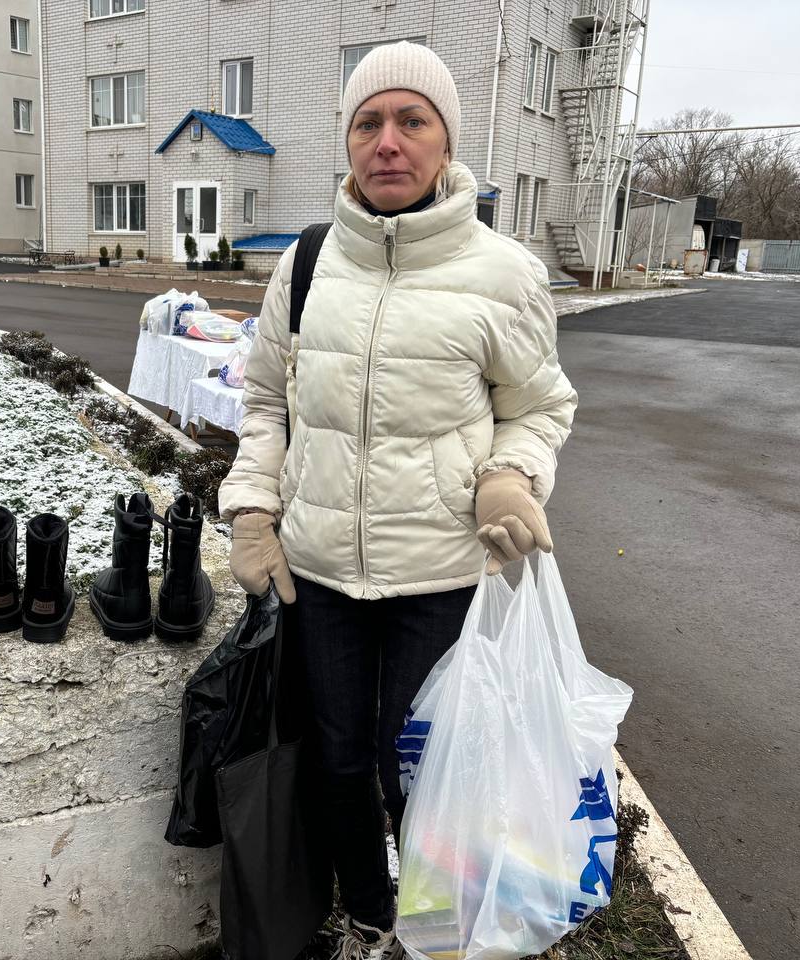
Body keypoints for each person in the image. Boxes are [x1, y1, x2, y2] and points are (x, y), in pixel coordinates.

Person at [217, 41, 578, 960]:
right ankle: (375, 920)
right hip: (321, 575)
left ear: (445, 142)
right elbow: (264, 402)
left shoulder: (504, 273)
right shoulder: (305, 264)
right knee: (338, 762)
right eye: (368, 122)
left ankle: (436, 928)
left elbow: (539, 407)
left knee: (418, 768)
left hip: (438, 576)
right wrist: (252, 509)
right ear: (347, 140)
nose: (388, 142)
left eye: (412, 121)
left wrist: (509, 475)